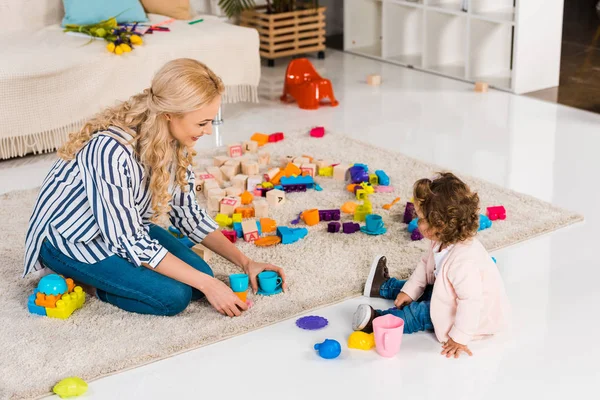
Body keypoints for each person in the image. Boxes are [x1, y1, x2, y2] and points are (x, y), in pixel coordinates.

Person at [24, 58, 286, 318]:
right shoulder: (110, 151)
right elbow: (129, 241)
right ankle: (86, 283)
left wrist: (246, 262)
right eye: (202, 123)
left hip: (124, 228)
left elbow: (188, 215)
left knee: (200, 278)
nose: (208, 131)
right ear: (170, 114)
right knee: (173, 297)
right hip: (71, 240)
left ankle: (127, 279)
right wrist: (210, 286)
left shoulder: (174, 139)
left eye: (210, 122)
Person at [353, 173, 509, 358]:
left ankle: (378, 321)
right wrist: (409, 291)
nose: (416, 222)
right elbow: (425, 265)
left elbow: (471, 303)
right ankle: (384, 286)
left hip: (471, 315)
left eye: (421, 219)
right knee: (419, 286)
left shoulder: (463, 263)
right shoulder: (442, 241)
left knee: (420, 313)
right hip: (449, 292)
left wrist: (459, 337)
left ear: (440, 225)